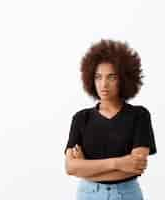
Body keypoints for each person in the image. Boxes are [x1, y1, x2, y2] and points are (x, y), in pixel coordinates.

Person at [64, 39, 157, 200]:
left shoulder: (139, 116)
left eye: (111, 77)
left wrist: (86, 166)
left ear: (124, 79)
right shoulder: (81, 118)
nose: (103, 84)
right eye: (98, 77)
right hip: (88, 195)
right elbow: (71, 167)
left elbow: (136, 167)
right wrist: (119, 163)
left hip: (126, 194)